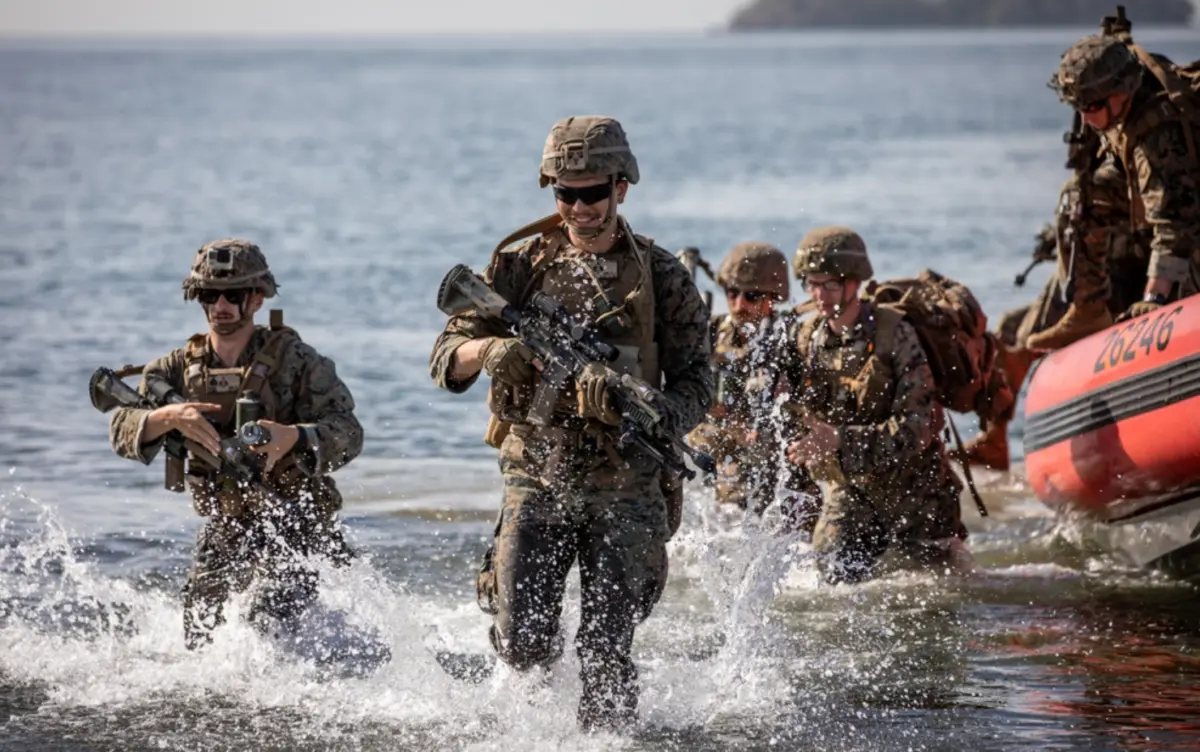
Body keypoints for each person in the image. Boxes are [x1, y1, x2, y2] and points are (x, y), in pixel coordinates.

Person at [428, 116, 711, 729]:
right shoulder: (518, 267)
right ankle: (537, 721)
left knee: (606, 652)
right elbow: (445, 359)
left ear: (621, 187)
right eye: (566, 194)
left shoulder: (663, 278)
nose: (580, 208)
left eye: (593, 194)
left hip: (628, 482)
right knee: (521, 641)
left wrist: (655, 409)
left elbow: (699, 383)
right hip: (536, 474)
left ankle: (608, 738)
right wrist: (492, 351)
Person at [108, 240, 363, 649]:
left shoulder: (297, 361)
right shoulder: (173, 370)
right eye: (210, 295)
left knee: (272, 622)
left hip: (297, 520)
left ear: (257, 299)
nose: (221, 305)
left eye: (234, 295)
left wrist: (295, 437)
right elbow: (122, 428)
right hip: (226, 524)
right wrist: (169, 417)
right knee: (197, 635)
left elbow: (349, 432)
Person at [779, 226, 968, 584]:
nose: (819, 295)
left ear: (854, 282)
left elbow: (917, 430)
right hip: (854, 493)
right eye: (811, 284)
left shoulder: (894, 335)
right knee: (829, 583)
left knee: (937, 594)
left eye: (829, 284)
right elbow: (796, 417)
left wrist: (840, 439)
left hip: (918, 495)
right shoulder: (807, 339)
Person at [966, 160, 1149, 468]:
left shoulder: (1145, 159)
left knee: (1023, 336)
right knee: (1009, 326)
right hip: (1107, 267)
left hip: (1126, 277)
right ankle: (995, 438)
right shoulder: (1113, 157)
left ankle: (997, 437)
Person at [1044, 24, 1200, 341]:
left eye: (1091, 107)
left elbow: (1174, 223)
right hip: (1161, 196)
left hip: (1188, 211)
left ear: (1120, 93)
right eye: (1079, 107)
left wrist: (1154, 298)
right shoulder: (1119, 103)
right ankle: (1088, 309)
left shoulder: (1157, 135)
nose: (1085, 118)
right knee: (1078, 197)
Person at [685, 241, 821, 532]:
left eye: (752, 295)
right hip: (727, 468)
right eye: (732, 293)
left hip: (783, 471)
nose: (739, 305)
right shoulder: (712, 332)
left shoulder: (792, 340)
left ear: (774, 297)